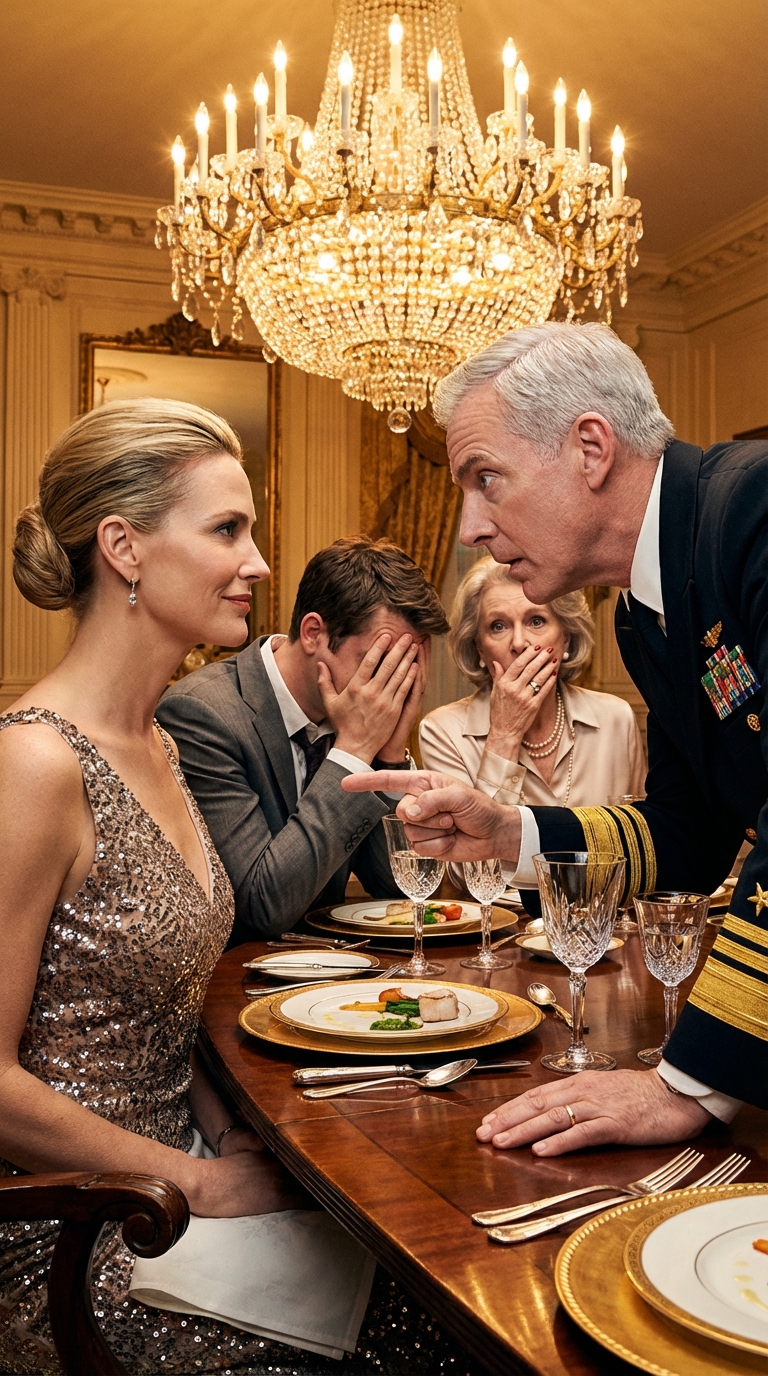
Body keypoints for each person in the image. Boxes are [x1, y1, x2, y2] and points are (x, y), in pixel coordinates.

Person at [0, 398, 481, 1376]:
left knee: (452, 1291)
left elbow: (176, 1007)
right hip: (75, 1232)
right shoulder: (34, 764)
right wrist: (203, 1182)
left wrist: (232, 1143)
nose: (259, 562)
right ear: (124, 548)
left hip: (182, 1175)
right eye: (227, 529)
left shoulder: (162, 745)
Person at [342, 321, 767, 1157]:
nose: (469, 526)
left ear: (591, 448)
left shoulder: (753, 512)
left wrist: (686, 1085)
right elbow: (686, 833)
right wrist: (513, 833)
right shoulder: (645, 612)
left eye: (486, 479)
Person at [157, 537, 449, 944]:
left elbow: (401, 891)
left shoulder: (359, 719)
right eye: (380, 662)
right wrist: (354, 750)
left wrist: (389, 758)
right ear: (313, 633)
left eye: (407, 665)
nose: (392, 687)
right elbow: (260, 909)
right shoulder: (203, 715)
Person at [419, 555, 645, 809]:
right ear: (479, 648)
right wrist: (504, 735)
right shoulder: (442, 731)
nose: (519, 643)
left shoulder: (616, 719)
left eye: (536, 621)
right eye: (498, 626)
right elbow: (475, 832)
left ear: (566, 638)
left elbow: (639, 828)